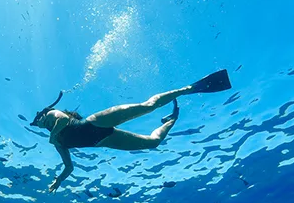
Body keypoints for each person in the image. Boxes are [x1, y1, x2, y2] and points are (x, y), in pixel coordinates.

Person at [30, 69, 232, 192]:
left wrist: (53, 134)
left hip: (96, 123)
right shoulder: (55, 142)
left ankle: (189, 89)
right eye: (36, 123)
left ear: (41, 116)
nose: (37, 123)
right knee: (153, 143)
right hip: (103, 140)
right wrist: (58, 180)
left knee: (148, 106)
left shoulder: (50, 115)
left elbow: (63, 120)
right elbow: (69, 167)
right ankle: (171, 120)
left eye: (36, 120)